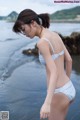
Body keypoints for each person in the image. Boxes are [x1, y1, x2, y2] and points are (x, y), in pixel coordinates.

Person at [13, 9, 76, 120]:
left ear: (33, 23)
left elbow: (54, 72)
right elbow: (69, 60)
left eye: (24, 29)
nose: (24, 33)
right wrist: (67, 86)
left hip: (58, 93)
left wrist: (47, 103)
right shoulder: (54, 34)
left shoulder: (42, 42)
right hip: (68, 88)